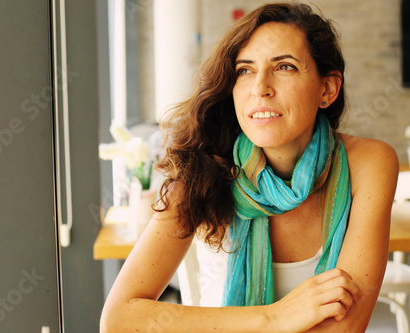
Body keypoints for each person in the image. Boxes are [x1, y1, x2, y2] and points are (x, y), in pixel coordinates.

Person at [100, 2, 399, 332]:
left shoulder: (369, 163)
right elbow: (119, 319)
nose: (260, 88)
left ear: (327, 89)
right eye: (245, 70)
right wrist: (275, 317)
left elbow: (346, 327)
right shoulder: (200, 169)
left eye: (284, 67)